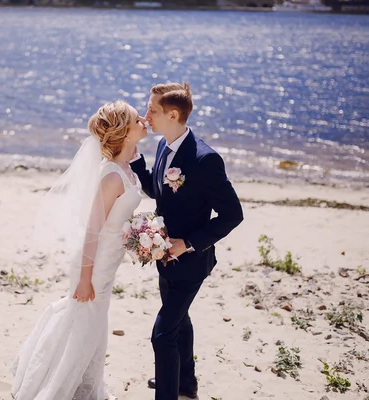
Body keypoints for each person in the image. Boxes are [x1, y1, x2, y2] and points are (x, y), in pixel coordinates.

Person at [11, 100, 148, 400]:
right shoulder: (112, 176)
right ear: (125, 132)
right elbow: (92, 231)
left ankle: (87, 386)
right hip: (94, 264)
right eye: (138, 120)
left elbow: (117, 218)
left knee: (94, 327)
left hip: (108, 263)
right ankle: (56, 391)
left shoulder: (127, 168)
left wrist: (140, 234)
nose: (145, 122)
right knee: (84, 327)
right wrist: (85, 279)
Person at [130, 82, 244, 400]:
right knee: (179, 321)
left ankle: (168, 393)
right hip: (164, 258)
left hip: (191, 262)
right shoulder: (165, 146)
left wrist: (187, 244)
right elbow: (158, 192)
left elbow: (232, 215)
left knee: (162, 334)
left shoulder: (205, 159)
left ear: (173, 113)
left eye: (152, 110)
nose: (146, 115)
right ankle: (185, 384)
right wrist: (136, 160)